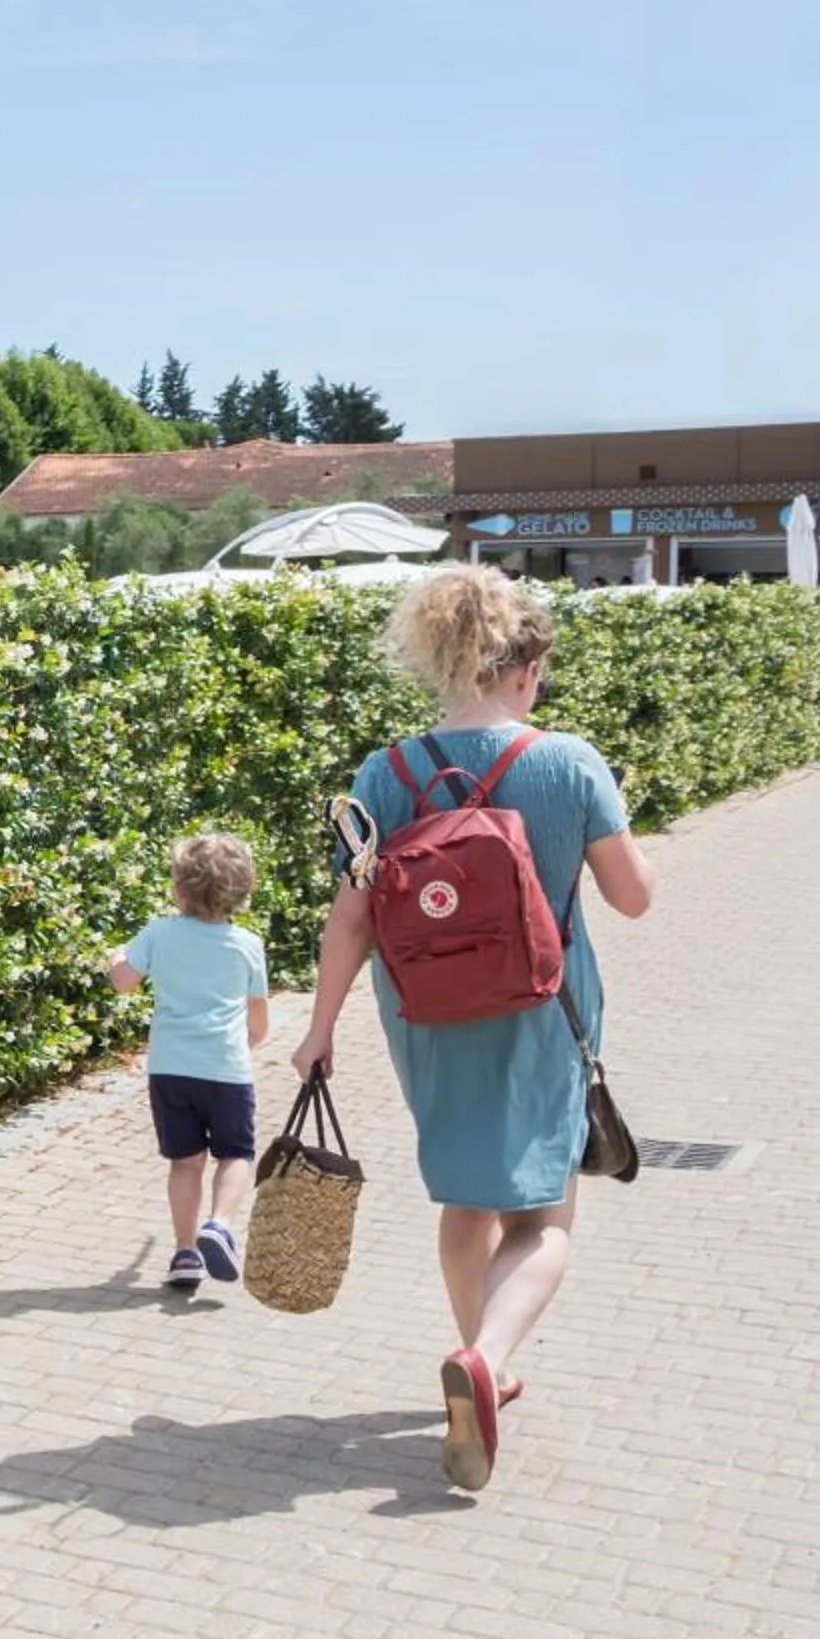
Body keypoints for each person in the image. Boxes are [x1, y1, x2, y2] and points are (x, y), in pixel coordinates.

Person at [291, 566, 656, 1492]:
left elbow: (351, 918)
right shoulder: (568, 760)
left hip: (426, 1013)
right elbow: (633, 898)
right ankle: (488, 1357)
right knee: (544, 1214)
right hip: (542, 1008)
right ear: (524, 665)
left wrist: (319, 1026)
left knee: (466, 1192)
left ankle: (472, 1352)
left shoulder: (385, 770)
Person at [107, 833, 271, 1294]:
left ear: (179, 889)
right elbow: (258, 1023)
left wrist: (114, 957)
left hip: (170, 1068)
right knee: (235, 1155)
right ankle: (219, 1224)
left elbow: (122, 982)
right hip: (226, 1069)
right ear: (243, 890)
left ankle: (185, 1253)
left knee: (184, 1162)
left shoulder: (159, 933)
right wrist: (246, 1043)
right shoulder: (246, 945)